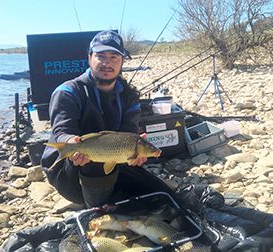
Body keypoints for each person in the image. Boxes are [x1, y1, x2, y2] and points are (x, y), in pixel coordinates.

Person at [41, 30, 174, 207]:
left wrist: (135, 155)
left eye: (114, 57)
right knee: (96, 164)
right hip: (69, 173)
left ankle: (112, 202)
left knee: (164, 196)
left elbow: (129, 133)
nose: (107, 63)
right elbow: (62, 131)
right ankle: (97, 207)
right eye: (101, 56)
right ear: (89, 58)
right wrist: (71, 142)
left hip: (112, 162)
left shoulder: (129, 96)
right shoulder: (67, 92)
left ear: (121, 62)